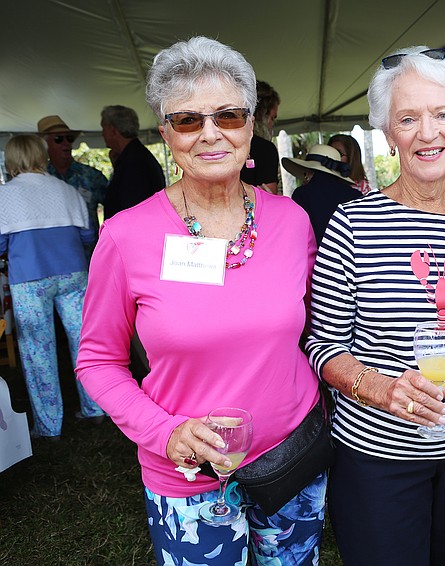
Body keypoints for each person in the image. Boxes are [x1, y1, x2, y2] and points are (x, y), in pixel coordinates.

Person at [75, 36, 326, 565]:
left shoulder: (291, 221)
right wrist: (165, 434)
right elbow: (98, 362)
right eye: (188, 120)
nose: (211, 133)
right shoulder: (126, 236)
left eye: (229, 116)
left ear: (250, 124)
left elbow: (316, 329)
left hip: (291, 459)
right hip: (189, 474)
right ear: (166, 133)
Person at [304, 45, 445, 565]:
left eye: (443, 114)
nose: (428, 132)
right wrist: (380, 389)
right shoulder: (354, 224)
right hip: (379, 459)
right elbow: (321, 344)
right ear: (387, 132)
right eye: (408, 118)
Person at [0, 134, 105, 441]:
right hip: (74, 273)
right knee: (85, 344)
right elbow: (88, 237)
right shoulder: (67, 189)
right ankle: (96, 407)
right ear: (40, 155)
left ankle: (49, 425)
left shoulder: (5, 197)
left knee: (38, 350)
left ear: (12, 159)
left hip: (30, 277)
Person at [37, 114, 109, 257]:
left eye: (69, 138)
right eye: (58, 139)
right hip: (54, 256)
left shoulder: (92, 176)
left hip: (91, 254)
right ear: (45, 145)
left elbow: (115, 207)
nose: (66, 143)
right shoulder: (40, 179)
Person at [284, 144, 361, 241]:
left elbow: (297, 234)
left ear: (308, 173)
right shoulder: (355, 195)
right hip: (348, 255)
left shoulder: (302, 194)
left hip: (316, 255)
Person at [100, 105, 166, 219]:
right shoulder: (134, 156)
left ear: (112, 129)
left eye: (103, 128)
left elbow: (132, 209)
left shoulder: (135, 163)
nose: (102, 134)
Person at [240, 80, 280, 194]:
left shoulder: (229, 144)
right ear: (263, 115)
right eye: (273, 118)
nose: (272, 124)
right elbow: (269, 195)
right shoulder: (266, 149)